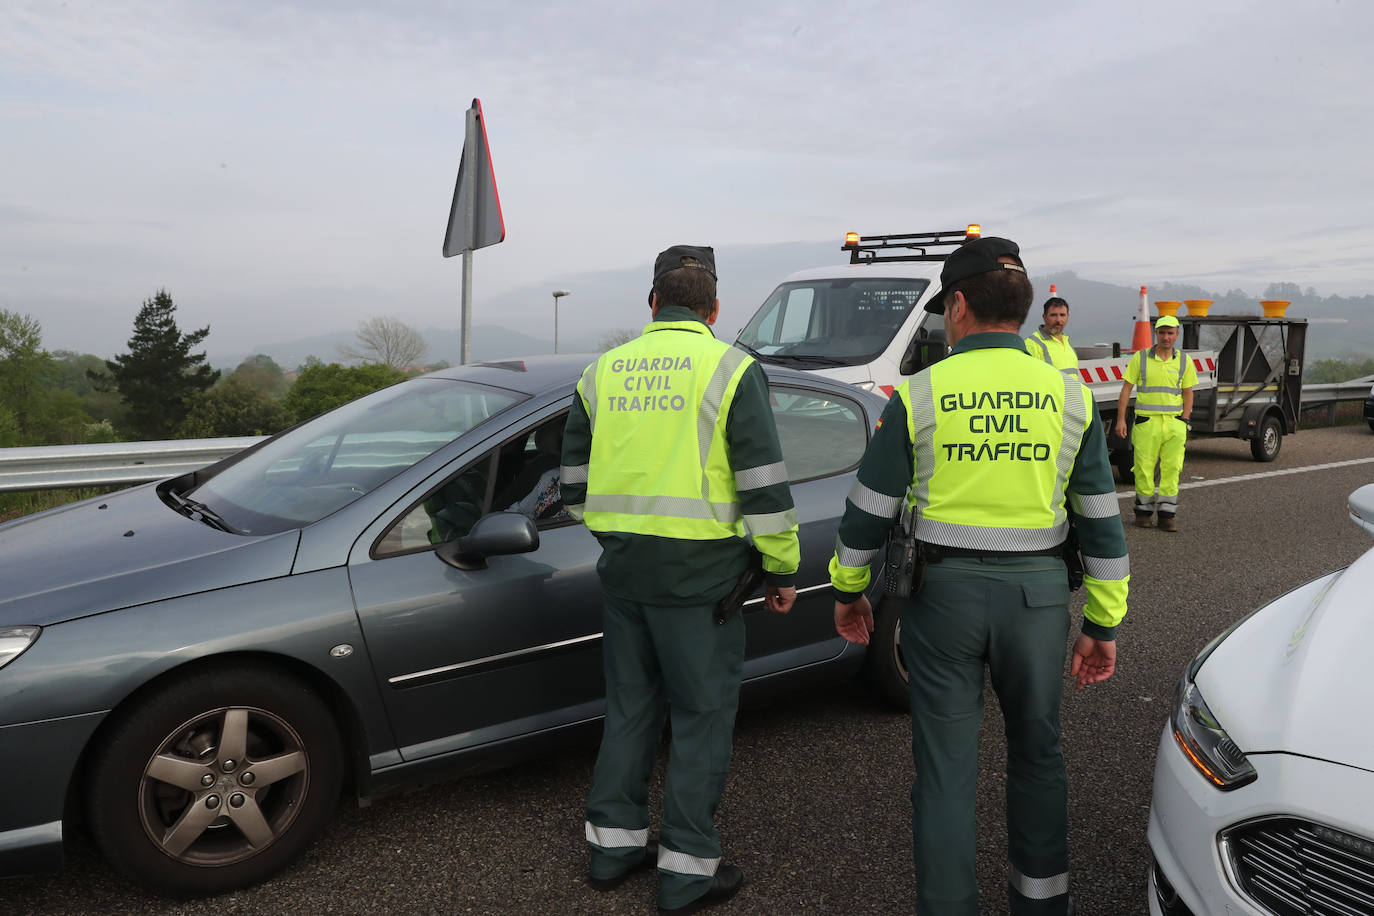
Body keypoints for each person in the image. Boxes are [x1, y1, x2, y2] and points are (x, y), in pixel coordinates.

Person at [828, 237, 1129, 915]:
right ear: (1023, 310)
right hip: (1039, 599)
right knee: (1037, 754)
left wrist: (849, 591)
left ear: (958, 305)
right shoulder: (1069, 396)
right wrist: (1103, 622)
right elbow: (1103, 522)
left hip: (943, 601)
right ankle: (1043, 902)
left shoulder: (919, 393)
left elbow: (867, 513)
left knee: (944, 770)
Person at [560, 244, 800, 915]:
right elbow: (763, 489)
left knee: (631, 707)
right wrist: (781, 567)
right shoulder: (731, 369)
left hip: (625, 569)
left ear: (652, 303)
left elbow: (572, 487)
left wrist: (617, 533)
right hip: (704, 580)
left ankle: (611, 851)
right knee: (700, 718)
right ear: (715, 309)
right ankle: (688, 872)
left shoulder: (601, 372)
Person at [1113, 314, 1196, 532]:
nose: (1166, 337)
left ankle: (1167, 515)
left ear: (1177, 334)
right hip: (1146, 423)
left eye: (1170, 333)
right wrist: (1121, 419)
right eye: (1162, 332)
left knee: (1172, 469)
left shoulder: (1184, 361)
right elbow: (1126, 389)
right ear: (1155, 334)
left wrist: (1184, 420)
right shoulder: (1140, 359)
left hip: (1174, 424)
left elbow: (1188, 392)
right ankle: (1143, 513)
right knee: (1142, 469)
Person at [1023, 296, 1079, 373]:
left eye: (1062, 315)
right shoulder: (1032, 344)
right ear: (1044, 317)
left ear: (1067, 317)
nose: (1058, 320)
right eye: (1053, 315)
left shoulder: (1067, 344)